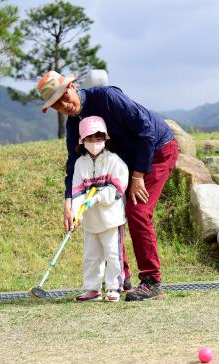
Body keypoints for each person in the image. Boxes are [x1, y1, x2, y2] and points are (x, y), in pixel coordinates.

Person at [36, 70, 178, 301]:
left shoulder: (107, 97)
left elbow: (146, 131)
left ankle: (152, 281)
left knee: (137, 211)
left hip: (157, 150)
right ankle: (121, 279)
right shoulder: (74, 124)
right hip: (124, 162)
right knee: (111, 212)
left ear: (72, 87)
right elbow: (73, 163)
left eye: (64, 97)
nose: (64, 106)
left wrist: (138, 176)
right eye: (56, 106)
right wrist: (68, 203)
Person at [70, 116, 128, 302]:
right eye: (90, 139)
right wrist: (75, 213)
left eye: (98, 139)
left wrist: (97, 198)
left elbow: (118, 188)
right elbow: (77, 192)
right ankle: (92, 289)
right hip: (90, 221)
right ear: (82, 141)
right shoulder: (80, 164)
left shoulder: (113, 161)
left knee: (113, 254)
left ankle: (114, 287)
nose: (94, 143)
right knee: (91, 256)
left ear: (105, 139)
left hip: (111, 219)